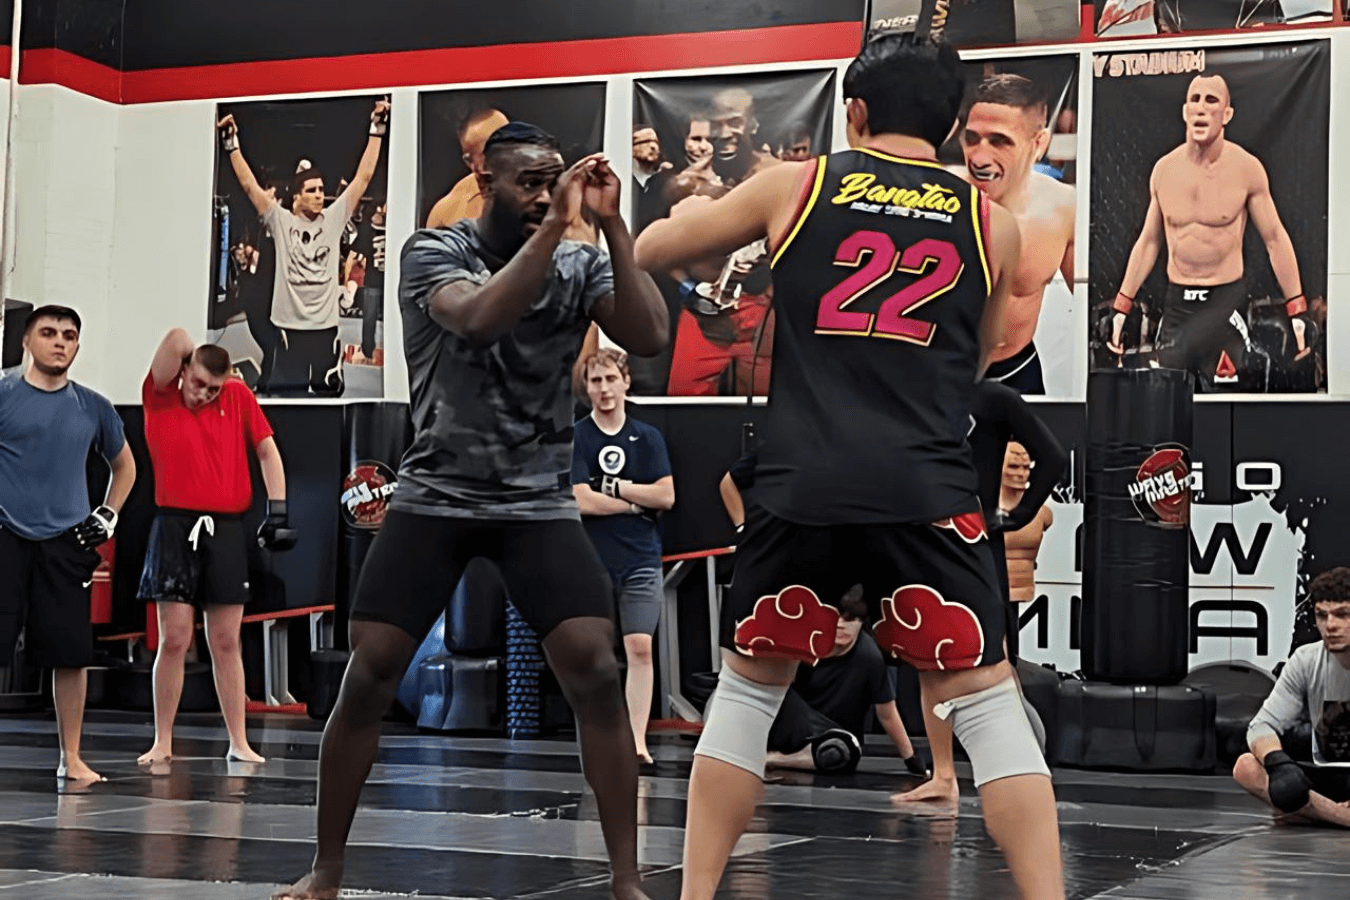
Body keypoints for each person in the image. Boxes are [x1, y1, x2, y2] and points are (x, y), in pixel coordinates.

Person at [635, 33, 1065, 900]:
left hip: (804, 483)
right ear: (949, 131)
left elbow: (652, 253)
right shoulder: (997, 224)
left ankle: (694, 894)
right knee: (987, 705)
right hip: (927, 486)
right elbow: (974, 361)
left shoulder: (795, 186)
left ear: (855, 112)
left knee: (749, 696)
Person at [273, 122, 668, 900]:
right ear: (486, 183)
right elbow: (482, 317)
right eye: (530, 183)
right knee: (373, 669)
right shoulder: (433, 252)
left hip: (536, 501)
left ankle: (626, 878)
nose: (546, 195)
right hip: (438, 496)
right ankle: (325, 869)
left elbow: (649, 333)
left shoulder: (581, 260)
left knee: (594, 667)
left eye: (554, 181)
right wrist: (558, 222)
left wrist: (615, 224)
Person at [897, 379, 1065, 805]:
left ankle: (1019, 769)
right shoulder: (917, 394)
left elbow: (1053, 457)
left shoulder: (990, 397)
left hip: (967, 544)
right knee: (929, 660)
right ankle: (944, 774)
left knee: (994, 658)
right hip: (931, 542)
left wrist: (1015, 515)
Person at [134, 328, 295, 768]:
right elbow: (175, 338)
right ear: (184, 372)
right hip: (174, 526)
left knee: (226, 640)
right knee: (175, 640)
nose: (204, 393)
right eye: (199, 382)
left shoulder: (238, 398)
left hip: (225, 527)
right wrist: (200, 356)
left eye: (214, 388)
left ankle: (239, 741)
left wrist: (277, 511)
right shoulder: (160, 393)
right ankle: (162, 741)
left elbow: (267, 451)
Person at [0, 306, 137, 783]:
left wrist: (108, 514)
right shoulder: (3, 394)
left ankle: (71, 758)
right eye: (49, 333)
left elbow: (126, 466)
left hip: (66, 542)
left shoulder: (93, 406)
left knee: (70, 652)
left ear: (77, 346)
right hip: (7, 537)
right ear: (26, 340)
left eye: (69, 335)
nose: (60, 342)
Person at [1107, 74, 1312, 391]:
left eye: (1211, 100)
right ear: (1185, 111)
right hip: (1177, 306)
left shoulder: (1246, 169)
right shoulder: (1164, 170)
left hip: (1225, 305)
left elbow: (1274, 238)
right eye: (1195, 99)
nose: (1201, 108)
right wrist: (1121, 305)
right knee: (1169, 410)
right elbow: (1148, 242)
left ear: (1227, 114)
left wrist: (1297, 308)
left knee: (1226, 413)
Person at [217, 98, 390, 396]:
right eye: (312, 191)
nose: (320, 195)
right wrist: (232, 144)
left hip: (324, 330)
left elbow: (363, 177)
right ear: (297, 196)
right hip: (288, 329)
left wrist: (376, 130)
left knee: (327, 398)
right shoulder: (281, 221)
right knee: (288, 400)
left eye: (322, 190)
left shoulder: (334, 219)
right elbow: (249, 186)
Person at [572, 348, 675, 764]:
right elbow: (581, 500)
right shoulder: (579, 435)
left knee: (640, 649)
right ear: (588, 388)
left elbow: (665, 495)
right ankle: (599, 739)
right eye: (596, 381)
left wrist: (613, 489)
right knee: (593, 656)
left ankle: (635, 742)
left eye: (611, 379)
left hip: (640, 559)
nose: (604, 389)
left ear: (625, 382)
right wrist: (635, 501)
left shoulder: (647, 437)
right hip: (591, 560)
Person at [961, 75, 1075, 395]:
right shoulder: (939, 201)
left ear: (1038, 143)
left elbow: (1091, 306)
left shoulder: (1063, 209)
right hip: (946, 375)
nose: (979, 157)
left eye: (999, 141)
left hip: (1018, 371)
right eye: (972, 138)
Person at [664, 89, 782, 396]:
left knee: (766, 408)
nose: (726, 132)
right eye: (719, 123)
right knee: (683, 405)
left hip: (762, 307)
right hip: (705, 310)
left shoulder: (779, 176)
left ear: (752, 125)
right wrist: (693, 294)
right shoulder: (689, 184)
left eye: (735, 122)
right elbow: (660, 253)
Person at [1232, 566, 1350, 827]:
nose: (1330, 626)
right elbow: (1261, 726)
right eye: (1322, 615)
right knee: (1247, 766)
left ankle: (1309, 813)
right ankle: (1338, 816)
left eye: (1342, 615)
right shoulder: (1306, 660)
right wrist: (1278, 763)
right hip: (1331, 776)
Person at [765, 588, 927, 776]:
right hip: (793, 727)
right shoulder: (804, 643)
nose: (841, 625)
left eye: (850, 620)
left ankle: (776, 759)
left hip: (835, 738)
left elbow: (887, 713)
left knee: (841, 754)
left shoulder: (869, 657)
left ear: (860, 623)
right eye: (836, 618)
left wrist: (910, 757)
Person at [427, 106, 598, 243]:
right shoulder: (449, 210)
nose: (477, 166)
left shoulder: (553, 196)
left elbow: (587, 256)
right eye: (469, 158)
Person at [631, 125, 674, 234]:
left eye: (655, 141)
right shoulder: (626, 181)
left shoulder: (665, 180)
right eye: (645, 141)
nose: (653, 146)